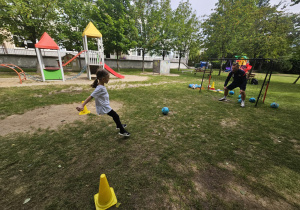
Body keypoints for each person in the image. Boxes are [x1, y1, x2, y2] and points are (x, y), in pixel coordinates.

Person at [76, 69, 130, 136]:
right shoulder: (99, 88)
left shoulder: (100, 85)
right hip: (104, 106)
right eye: (108, 78)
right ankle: (122, 131)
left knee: (114, 116)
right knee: (116, 116)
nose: (109, 79)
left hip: (105, 105)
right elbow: (91, 96)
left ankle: (119, 126)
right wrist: (82, 105)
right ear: (103, 79)